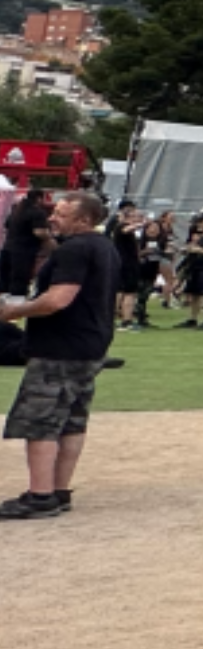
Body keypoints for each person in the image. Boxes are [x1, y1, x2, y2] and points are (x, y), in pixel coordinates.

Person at [0, 193, 119, 520]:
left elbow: (57, 300)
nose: (52, 218)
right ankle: (59, 490)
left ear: (83, 220)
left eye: (62, 214)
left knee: (41, 422)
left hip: (60, 348)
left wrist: (12, 312)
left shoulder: (74, 249)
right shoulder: (104, 246)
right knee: (72, 421)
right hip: (90, 346)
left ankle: (39, 495)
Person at [0, 186, 52, 296]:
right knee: (20, 281)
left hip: (7, 248)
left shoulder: (16, 210)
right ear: (39, 198)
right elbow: (39, 232)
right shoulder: (37, 212)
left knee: (5, 281)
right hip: (24, 251)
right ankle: (16, 307)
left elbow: (7, 225)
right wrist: (50, 239)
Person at [111, 202, 148, 331]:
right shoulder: (122, 227)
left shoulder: (119, 228)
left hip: (124, 263)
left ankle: (115, 318)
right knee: (129, 292)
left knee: (121, 291)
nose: (137, 218)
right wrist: (142, 224)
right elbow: (126, 229)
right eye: (135, 216)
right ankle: (127, 320)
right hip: (127, 264)